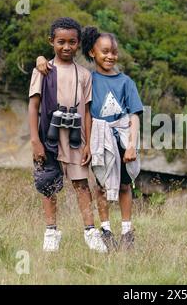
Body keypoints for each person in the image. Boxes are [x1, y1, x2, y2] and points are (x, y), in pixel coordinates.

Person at [36, 26, 143, 251]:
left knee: (124, 185)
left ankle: (127, 232)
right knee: (101, 185)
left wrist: (132, 144)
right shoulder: (88, 78)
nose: (110, 56)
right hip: (98, 140)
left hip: (122, 138)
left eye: (114, 52)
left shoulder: (126, 82)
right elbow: (85, 110)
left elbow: (134, 115)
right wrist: (40, 59)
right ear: (92, 53)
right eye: (104, 51)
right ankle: (105, 230)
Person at [28, 17, 107, 253]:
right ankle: (51, 231)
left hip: (76, 138)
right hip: (48, 138)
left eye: (72, 42)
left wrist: (88, 145)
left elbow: (87, 113)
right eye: (61, 41)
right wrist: (35, 141)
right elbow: (33, 107)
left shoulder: (84, 75)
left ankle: (90, 232)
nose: (66, 47)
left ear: (78, 43)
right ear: (51, 41)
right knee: (48, 183)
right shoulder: (42, 70)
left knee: (81, 184)